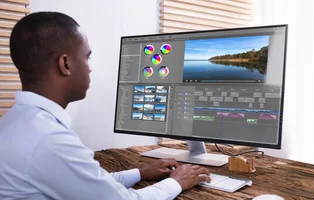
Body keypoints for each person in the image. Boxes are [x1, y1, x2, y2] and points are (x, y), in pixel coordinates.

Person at [0, 12, 211, 199]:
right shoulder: (49, 139)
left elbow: (88, 184)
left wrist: (141, 172)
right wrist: (177, 181)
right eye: (86, 57)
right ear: (65, 64)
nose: (90, 69)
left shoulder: (14, 123)